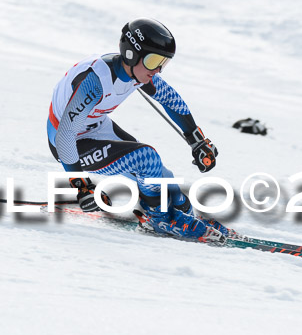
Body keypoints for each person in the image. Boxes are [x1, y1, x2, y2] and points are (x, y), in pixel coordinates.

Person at [47, 18, 226, 241]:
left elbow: (171, 100)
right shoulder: (96, 81)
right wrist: (81, 185)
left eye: (163, 62)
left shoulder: (137, 71)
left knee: (163, 177)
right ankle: (159, 218)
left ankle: (183, 215)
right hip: (70, 143)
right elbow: (65, 135)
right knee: (146, 158)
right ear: (132, 54)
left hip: (95, 127)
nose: (158, 69)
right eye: (153, 61)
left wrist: (197, 140)